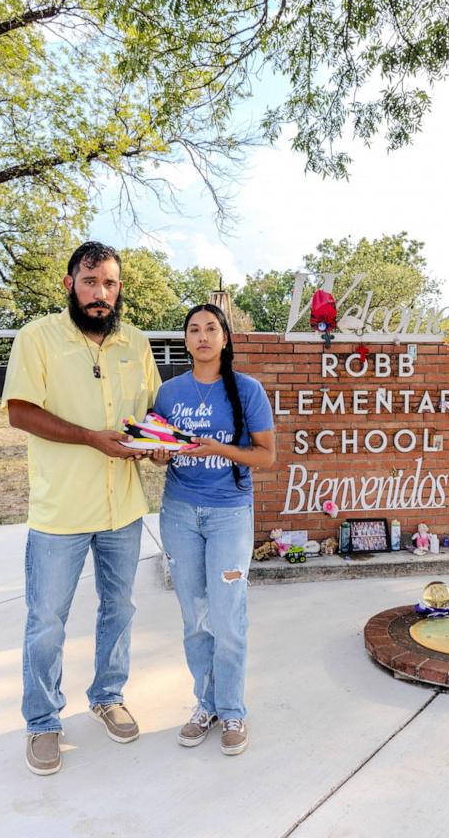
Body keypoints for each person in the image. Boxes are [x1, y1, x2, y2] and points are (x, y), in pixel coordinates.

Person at [1, 241, 160, 775]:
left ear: (119, 289)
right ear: (69, 283)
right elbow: (20, 412)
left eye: (110, 283)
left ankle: (107, 696)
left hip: (124, 509)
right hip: (61, 511)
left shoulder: (135, 343)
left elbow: (150, 414)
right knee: (46, 620)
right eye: (90, 282)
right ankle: (43, 721)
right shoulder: (38, 337)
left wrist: (162, 443)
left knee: (120, 609)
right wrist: (91, 438)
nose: (100, 293)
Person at [151, 303, 275, 756]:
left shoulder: (248, 391)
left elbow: (266, 456)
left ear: (225, 338)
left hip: (228, 514)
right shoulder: (168, 393)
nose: (202, 336)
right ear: (185, 341)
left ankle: (233, 708)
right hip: (180, 513)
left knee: (228, 616)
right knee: (195, 617)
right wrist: (159, 454)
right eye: (193, 330)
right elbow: (159, 447)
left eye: (211, 329)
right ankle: (204, 705)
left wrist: (223, 448)